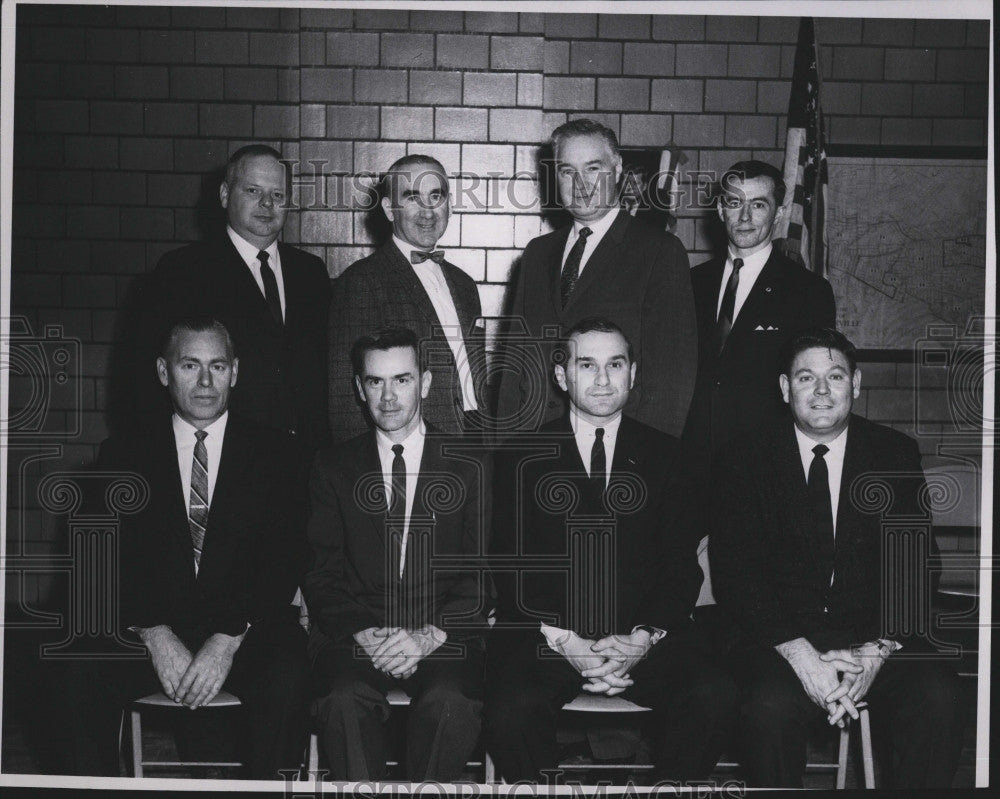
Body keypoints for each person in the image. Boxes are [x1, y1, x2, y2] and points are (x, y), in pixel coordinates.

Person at [485, 318, 737, 783]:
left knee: (713, 694)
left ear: (632, 373)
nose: (602, 380)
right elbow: (509, 566)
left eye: (615, 364)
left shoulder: (671, 458)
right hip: (552, 639)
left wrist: (642, 638)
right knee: (510, 708)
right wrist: (568, 642)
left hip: (643, 640)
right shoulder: (519, 456)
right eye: (587, 365)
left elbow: (680, 567)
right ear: (562, 377)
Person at [709, 327, 964, 788]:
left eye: (836, 377)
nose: (822, 392)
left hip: (873, 635)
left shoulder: (893, 454)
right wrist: (803, 657)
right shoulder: (745, 457)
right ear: (786, 389)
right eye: (807, 378)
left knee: (937, 695)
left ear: (857, 384)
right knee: (767, 708)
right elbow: (736, 575)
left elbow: (916, 567)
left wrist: (876, 651)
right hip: (781, 641)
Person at [63, 318, 310, 778]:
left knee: (290, 671)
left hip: (245, 630)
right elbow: (102, 561)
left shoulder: (278, 454)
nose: (204, 381)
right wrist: (153, 633)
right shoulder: (123, 454)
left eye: (217, 366)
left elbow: (287, 556)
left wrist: (227, 637)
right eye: (189, 365)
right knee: (78, 666)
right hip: (153, 626)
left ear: (235, 372)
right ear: (163, 372)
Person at [305, 327, 487, 781]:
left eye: (401, 380)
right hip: (356, 636)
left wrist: (426, 636)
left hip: (441, 635)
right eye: (375, 382)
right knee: (343, 699)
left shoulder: (469, 464)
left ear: (425, 383)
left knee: (451, 702)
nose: (388, 397)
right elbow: (320, 573)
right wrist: (366, 633)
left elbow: (482, 575)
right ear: (358, 388)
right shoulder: (332, 467)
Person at [495, 119, 697, 438]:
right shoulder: (537, 254)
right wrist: (505, 449)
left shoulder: (658, 251)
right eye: (567, 171)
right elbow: (513, 366)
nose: (580, 184)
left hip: (617, 452)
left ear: (616, 170)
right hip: (534, 451)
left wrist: (645, 461)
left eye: (592, 168)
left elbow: (672, 379)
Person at [141, 144, 331, 454]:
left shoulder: (311, 273)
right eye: (253, 191)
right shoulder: (183, 270)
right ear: (225, 195)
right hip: (225, 460)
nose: (267, 203)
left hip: (306, 462)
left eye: (278, 195)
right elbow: (149, 380)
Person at [686, 159, 835, 470]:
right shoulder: (690, 282)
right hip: (693, 462)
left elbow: (812, 384)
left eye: (758, 205)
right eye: (734, 203)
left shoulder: (807, 291)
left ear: (778, 214)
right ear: (719, 210)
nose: (744, 216)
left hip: (766, 462)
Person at [328, 155, 487, 443]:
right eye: (413, 198)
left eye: (436, 196)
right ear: (389, 210)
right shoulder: (361, 281)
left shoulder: (465, 284)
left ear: (449, 205)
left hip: (475, 443)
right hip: (411, 449)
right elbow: (345, 394)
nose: (427, 212)